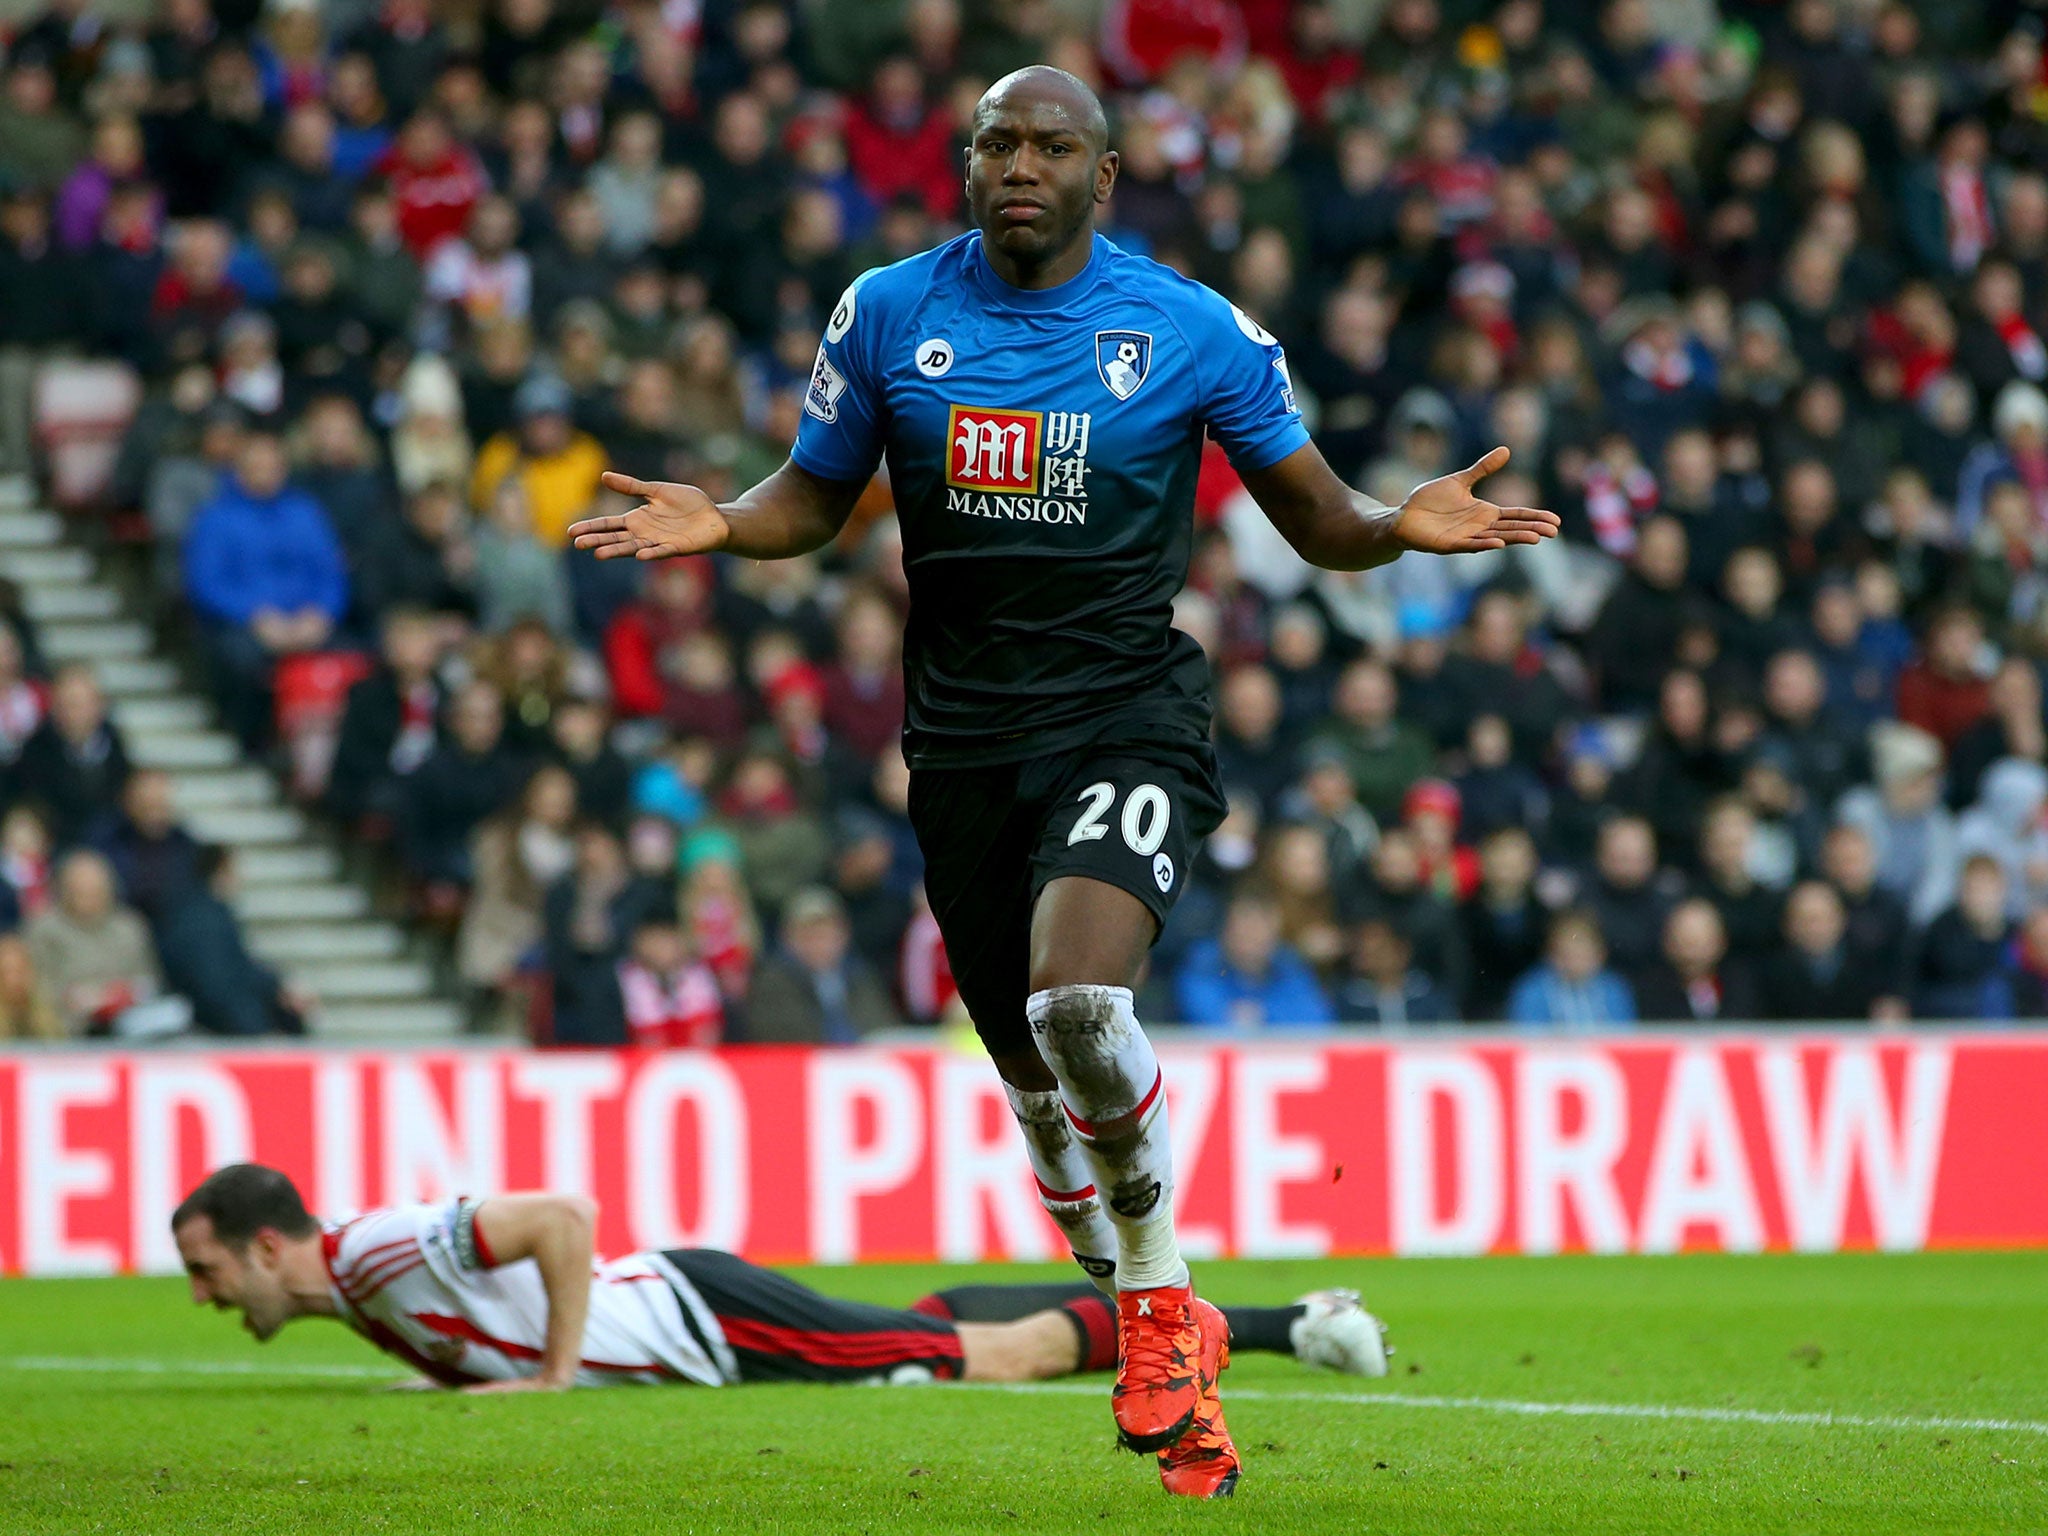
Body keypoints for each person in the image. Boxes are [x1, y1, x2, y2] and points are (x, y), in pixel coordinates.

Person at [571, 66, 1556, 1497]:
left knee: (1078, 1003)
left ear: (1106, 178)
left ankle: (1161, 1306)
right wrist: (721, 522)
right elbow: (813, 497)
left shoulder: (1189, 328)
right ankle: (1149, 1302)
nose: (1019, 162)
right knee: (1033, 1085)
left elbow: (1322, 522)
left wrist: (1400, 525)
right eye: (996, 142)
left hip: (1128, 715)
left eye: (1052, 145)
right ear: (967, 164)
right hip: (964, 747)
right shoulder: (891, 310)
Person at [171, 1163, 1390, 1398]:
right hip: (713, 1309)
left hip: (713, 1330)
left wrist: (548, 1381)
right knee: (916, 1326)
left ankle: (1293, 1323)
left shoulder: (372, 1252)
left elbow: (561, 1217)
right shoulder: (353, 1295)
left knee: (981, 1361)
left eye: (208, 1268)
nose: (205, 1296)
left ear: (267, 1243)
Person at [745, 886, 899, 1044]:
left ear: (844, 935)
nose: (819, 943)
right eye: (809, 935)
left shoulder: (860, 976)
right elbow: (780, 1035)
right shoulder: (772, 982)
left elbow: (883, 1027)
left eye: (826, 933)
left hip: (865, 1063)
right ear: (787, 938)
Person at [1506, 910, 1636, 1030]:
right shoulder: (1531, 990)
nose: (1574, 963)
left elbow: (1624, 1037)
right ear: (1551, 954)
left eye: (1582, 955)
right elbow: (1526, 1037)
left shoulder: (1615, 989)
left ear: (1600, 954)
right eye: (1567, 954)